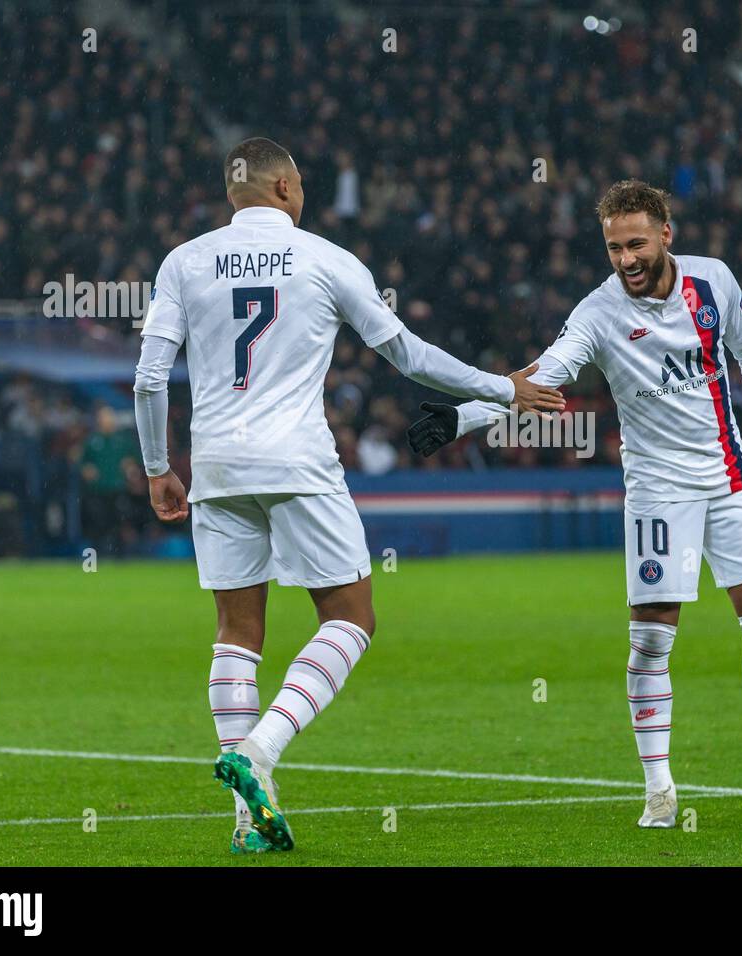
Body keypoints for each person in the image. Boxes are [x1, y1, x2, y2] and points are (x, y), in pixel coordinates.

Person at [133, 137, 564, 853]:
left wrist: (157, 467)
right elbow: (406, 353)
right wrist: (501, 387)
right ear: (283, 190)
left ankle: (249, 821)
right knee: (351, 617)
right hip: (298, 461)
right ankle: (261, 752)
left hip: (215, 466)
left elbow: (150, 380)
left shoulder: (183, 262)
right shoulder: (327, 260)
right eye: (299, 186)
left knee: (237, 633)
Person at [408, 180, 742, 826]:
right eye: (613, 247)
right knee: (651, 643)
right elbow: (542, 378)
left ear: (667, 234)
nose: (626, 258)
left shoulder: (713, 282)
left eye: (636, 243)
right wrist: (464, 417)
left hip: (730, 478)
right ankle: (659, 790)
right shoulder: (599, 313)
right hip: (659, 494)